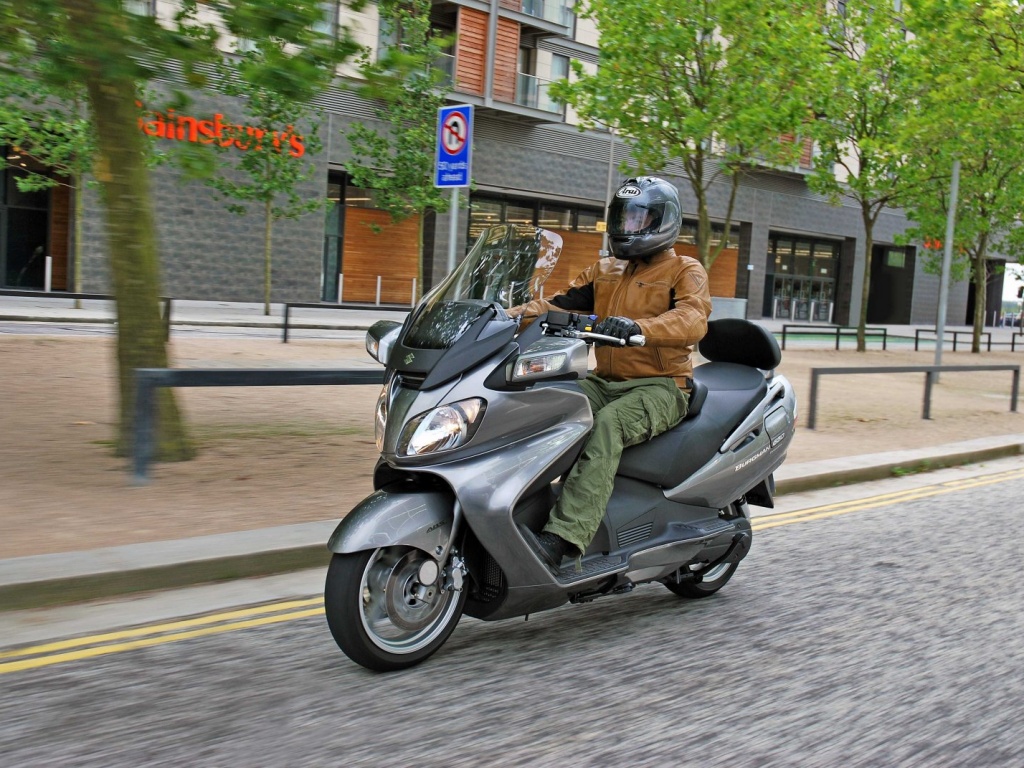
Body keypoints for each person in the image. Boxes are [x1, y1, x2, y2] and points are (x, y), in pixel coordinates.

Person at [511, 176, 713, 569]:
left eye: (638, 218)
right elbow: (557, 306)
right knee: (543, 405)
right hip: (604, 381)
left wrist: (639, 327)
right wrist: (506, 317)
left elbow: (692, 318)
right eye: (623, 217)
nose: (627, 226)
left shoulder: (684, 270)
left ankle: (563, 538)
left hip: (662, 386)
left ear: (663, 222)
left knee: (607, 425)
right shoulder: (605, 269)